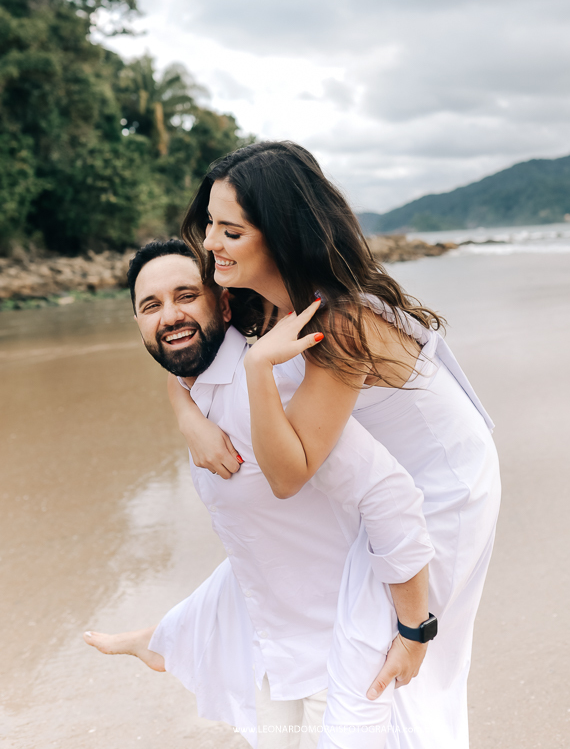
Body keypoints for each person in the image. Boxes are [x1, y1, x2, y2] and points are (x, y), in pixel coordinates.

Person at [169, 141, 501, 749]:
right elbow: (185, 357)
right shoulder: (266, 304)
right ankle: (184, 639)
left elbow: (288, 475)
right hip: (384, 484)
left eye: (231, 231)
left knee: (385, 669)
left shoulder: (337, 321)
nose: (210, 243)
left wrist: (258, 371)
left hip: (442, 492)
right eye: (210, 224)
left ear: (280, 235)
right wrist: (187, 416)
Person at [85, 239, 436, 749]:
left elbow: (391, 496)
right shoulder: (200, 395)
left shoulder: (270, 390)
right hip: (277, 654)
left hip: (348, 655)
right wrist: (185, 413)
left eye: (187, 296)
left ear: (224, 304)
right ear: (138, 323)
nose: (170, 315)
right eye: (151, 305)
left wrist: (414, 632)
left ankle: (165, 639)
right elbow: (255, 545)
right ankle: (168, 638)